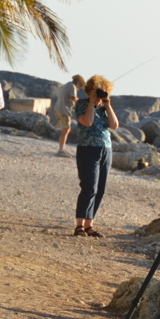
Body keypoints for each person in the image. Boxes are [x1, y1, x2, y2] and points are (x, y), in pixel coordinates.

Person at [74, 75, 119, 237]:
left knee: (100, 188)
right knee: (89, 187)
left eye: (104, 91)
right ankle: (79, 224)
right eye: (98, 91)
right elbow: (87, 122)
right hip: (87, 149)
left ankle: (89, 225)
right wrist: (91, 103)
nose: (101, 94)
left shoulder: (104, 108)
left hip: (105, 150)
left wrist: (108, 105)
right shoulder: (81, 104)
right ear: (90, 91)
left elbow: (114, 125)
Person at [54, 74, 86, 157]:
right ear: (78, 83)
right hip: (64, 111)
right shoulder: (72, 86)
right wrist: (82, 102)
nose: (79, 87)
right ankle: (61, 151)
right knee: (65, 130)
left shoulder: (67, 85)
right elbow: (73, 98)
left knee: (65, 130)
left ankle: (62, 149)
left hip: (58, 109)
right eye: (80, 86)